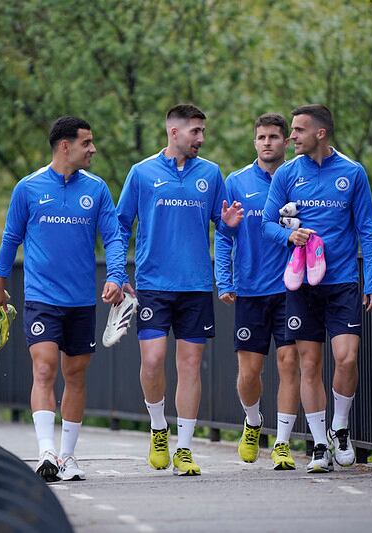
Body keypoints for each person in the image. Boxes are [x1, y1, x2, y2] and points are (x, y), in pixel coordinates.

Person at [0, 116, 127, 482]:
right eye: (87, 143)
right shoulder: (28, 188)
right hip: (41, 296)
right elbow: (10, 239)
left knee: (75, 374)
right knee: (45, 367)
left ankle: (68, 457)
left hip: (81, 299)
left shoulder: (96, 189)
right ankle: (45, 451)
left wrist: (116, 276)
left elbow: (113, 237)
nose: (93, 149)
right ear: (65, 146)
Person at [116, 103, 244, 476]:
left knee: (189, 365)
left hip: (196, 286)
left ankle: (185, 449)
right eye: (195, 132)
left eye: (202, 131)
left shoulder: (211, 173)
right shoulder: (141, 173)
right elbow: (121, 226)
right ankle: (158, 427)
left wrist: (230, 224)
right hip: (153, 285)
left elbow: (223, 227)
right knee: (153, 360)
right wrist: (117, 270)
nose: (201, 138)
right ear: (174, 132)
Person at [262, 104, 372, 472]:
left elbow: (367, 229)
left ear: (321, 133)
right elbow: (267, 223)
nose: (291, 136)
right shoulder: (286, 174)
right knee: (309, 363)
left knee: (346, 357)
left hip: (342, 280)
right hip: (301, 284)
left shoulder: (352, 172)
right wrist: (288, 235)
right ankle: (317, 444)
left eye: (298, 130)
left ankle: (340, 428)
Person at [214, 113, 301, 470]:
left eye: (275, 137)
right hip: (249, 289)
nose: (268, 142)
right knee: (249, 373)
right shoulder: (235, 182)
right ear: (255, 142)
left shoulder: (298, 180)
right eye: (262, 137)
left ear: (286, 142)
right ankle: (253, 422)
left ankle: (282, 443)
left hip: (292, 288)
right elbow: (223, 234)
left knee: (289, 362)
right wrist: (225, 278)